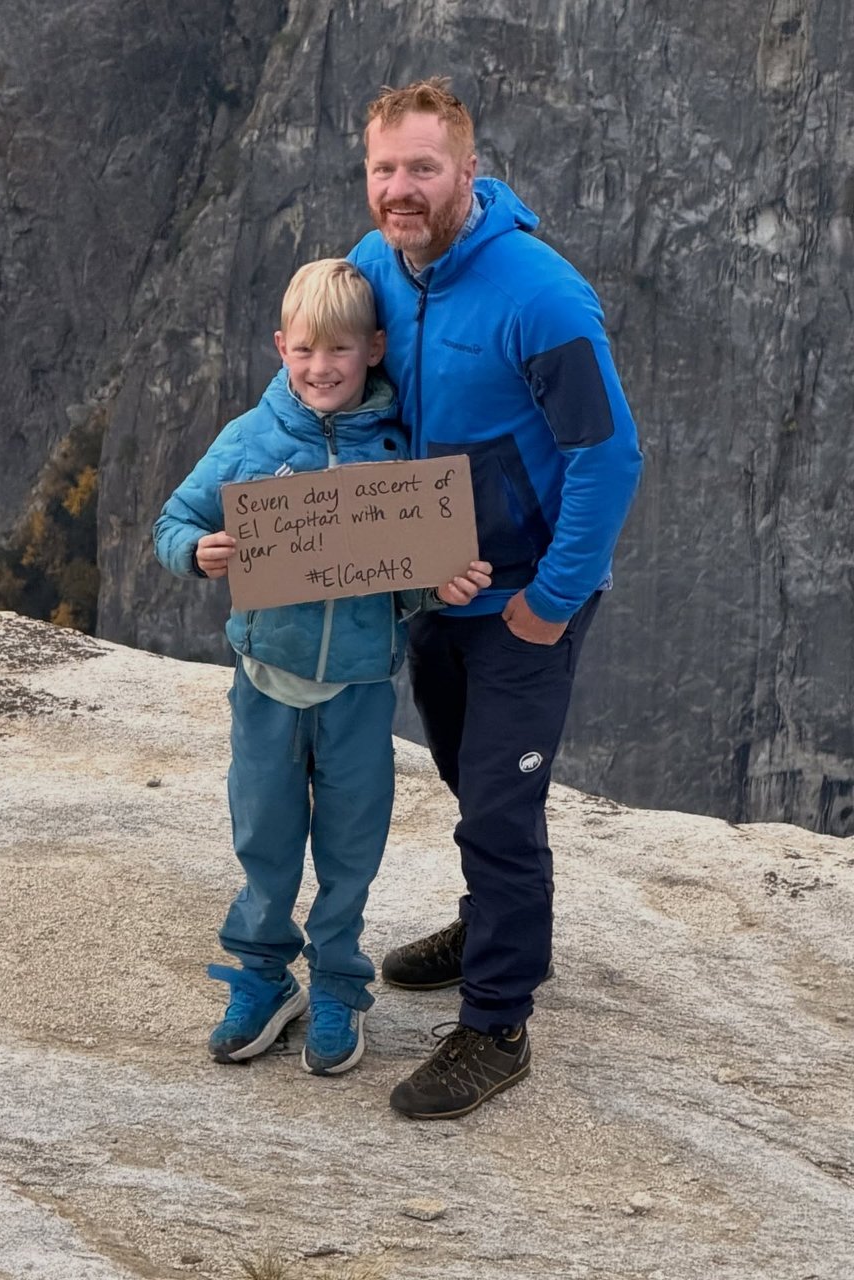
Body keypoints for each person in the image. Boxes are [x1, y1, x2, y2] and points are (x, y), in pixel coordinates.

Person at [347, 79, 644, 1118]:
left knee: (504, 808)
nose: (401, 188)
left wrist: (553, 598)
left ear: (467, 172)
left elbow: (609, 457)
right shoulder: (379, 268)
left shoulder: (539, 293)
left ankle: (497, 1021)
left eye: (423, 168)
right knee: (469, 778)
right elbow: (319, 372)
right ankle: (493, 924)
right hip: (437, 589)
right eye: (385, 169)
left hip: (525, 599)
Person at [153, 258, 491, 1078]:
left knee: (350, 847)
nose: (320, 366)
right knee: (265, 835)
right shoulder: (250, 439)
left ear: (374, 348)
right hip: (265, 680)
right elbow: (174, 521)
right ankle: (265, 979)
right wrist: (198, 553)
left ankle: (338, 983)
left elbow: (407, 581)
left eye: (338, 348)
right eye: (304, 349)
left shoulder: (399, 452)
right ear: (280, 347)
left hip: (359, 692)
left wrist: (439, 582)